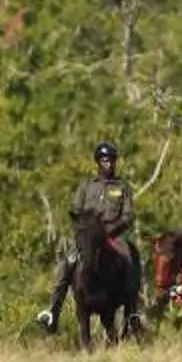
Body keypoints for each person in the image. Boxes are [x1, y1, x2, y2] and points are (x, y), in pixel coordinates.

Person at [39, 139, 140, 333]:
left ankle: (132, 312)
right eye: (104, 160)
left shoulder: (122, 186)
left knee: (129, 256)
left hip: (113, 234)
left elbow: (128, 215)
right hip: (89, 237)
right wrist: (84, 225)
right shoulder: (86, 185)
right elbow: (76, 209)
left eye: (111, 160)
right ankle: (53, 311)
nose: (108, 163)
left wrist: (113, 228)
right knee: (67, 263)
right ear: (98, 162)